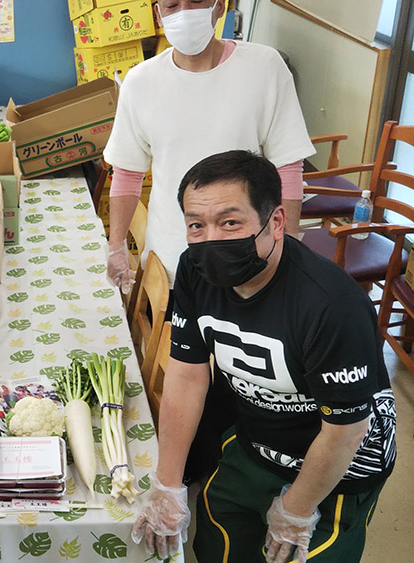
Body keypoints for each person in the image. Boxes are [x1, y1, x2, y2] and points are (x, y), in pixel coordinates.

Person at [132, 151, 396, 562]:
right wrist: (168, 484)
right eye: (196, 225)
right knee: (216, 545)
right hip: (256, 440)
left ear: (275, 222)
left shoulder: (329, 304)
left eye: (230, 222)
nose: (211, 239)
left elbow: (345, 429)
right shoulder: (194, 271)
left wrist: (296, 510)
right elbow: (187, 377)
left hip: (342, 465)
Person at [102, 0, 315, 483]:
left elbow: (288, 168)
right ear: (157, 12)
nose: (183, 12)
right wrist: (117, 245)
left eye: (194, 0)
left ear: (219, 4)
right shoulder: (141, 82)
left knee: (247, 376)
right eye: (171, 4)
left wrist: (288, 246)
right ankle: (190, 475)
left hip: (250, 258)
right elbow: (127, 175)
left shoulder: (263, 67)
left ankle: (248, 471)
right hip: (177, 258)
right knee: (187, 372)